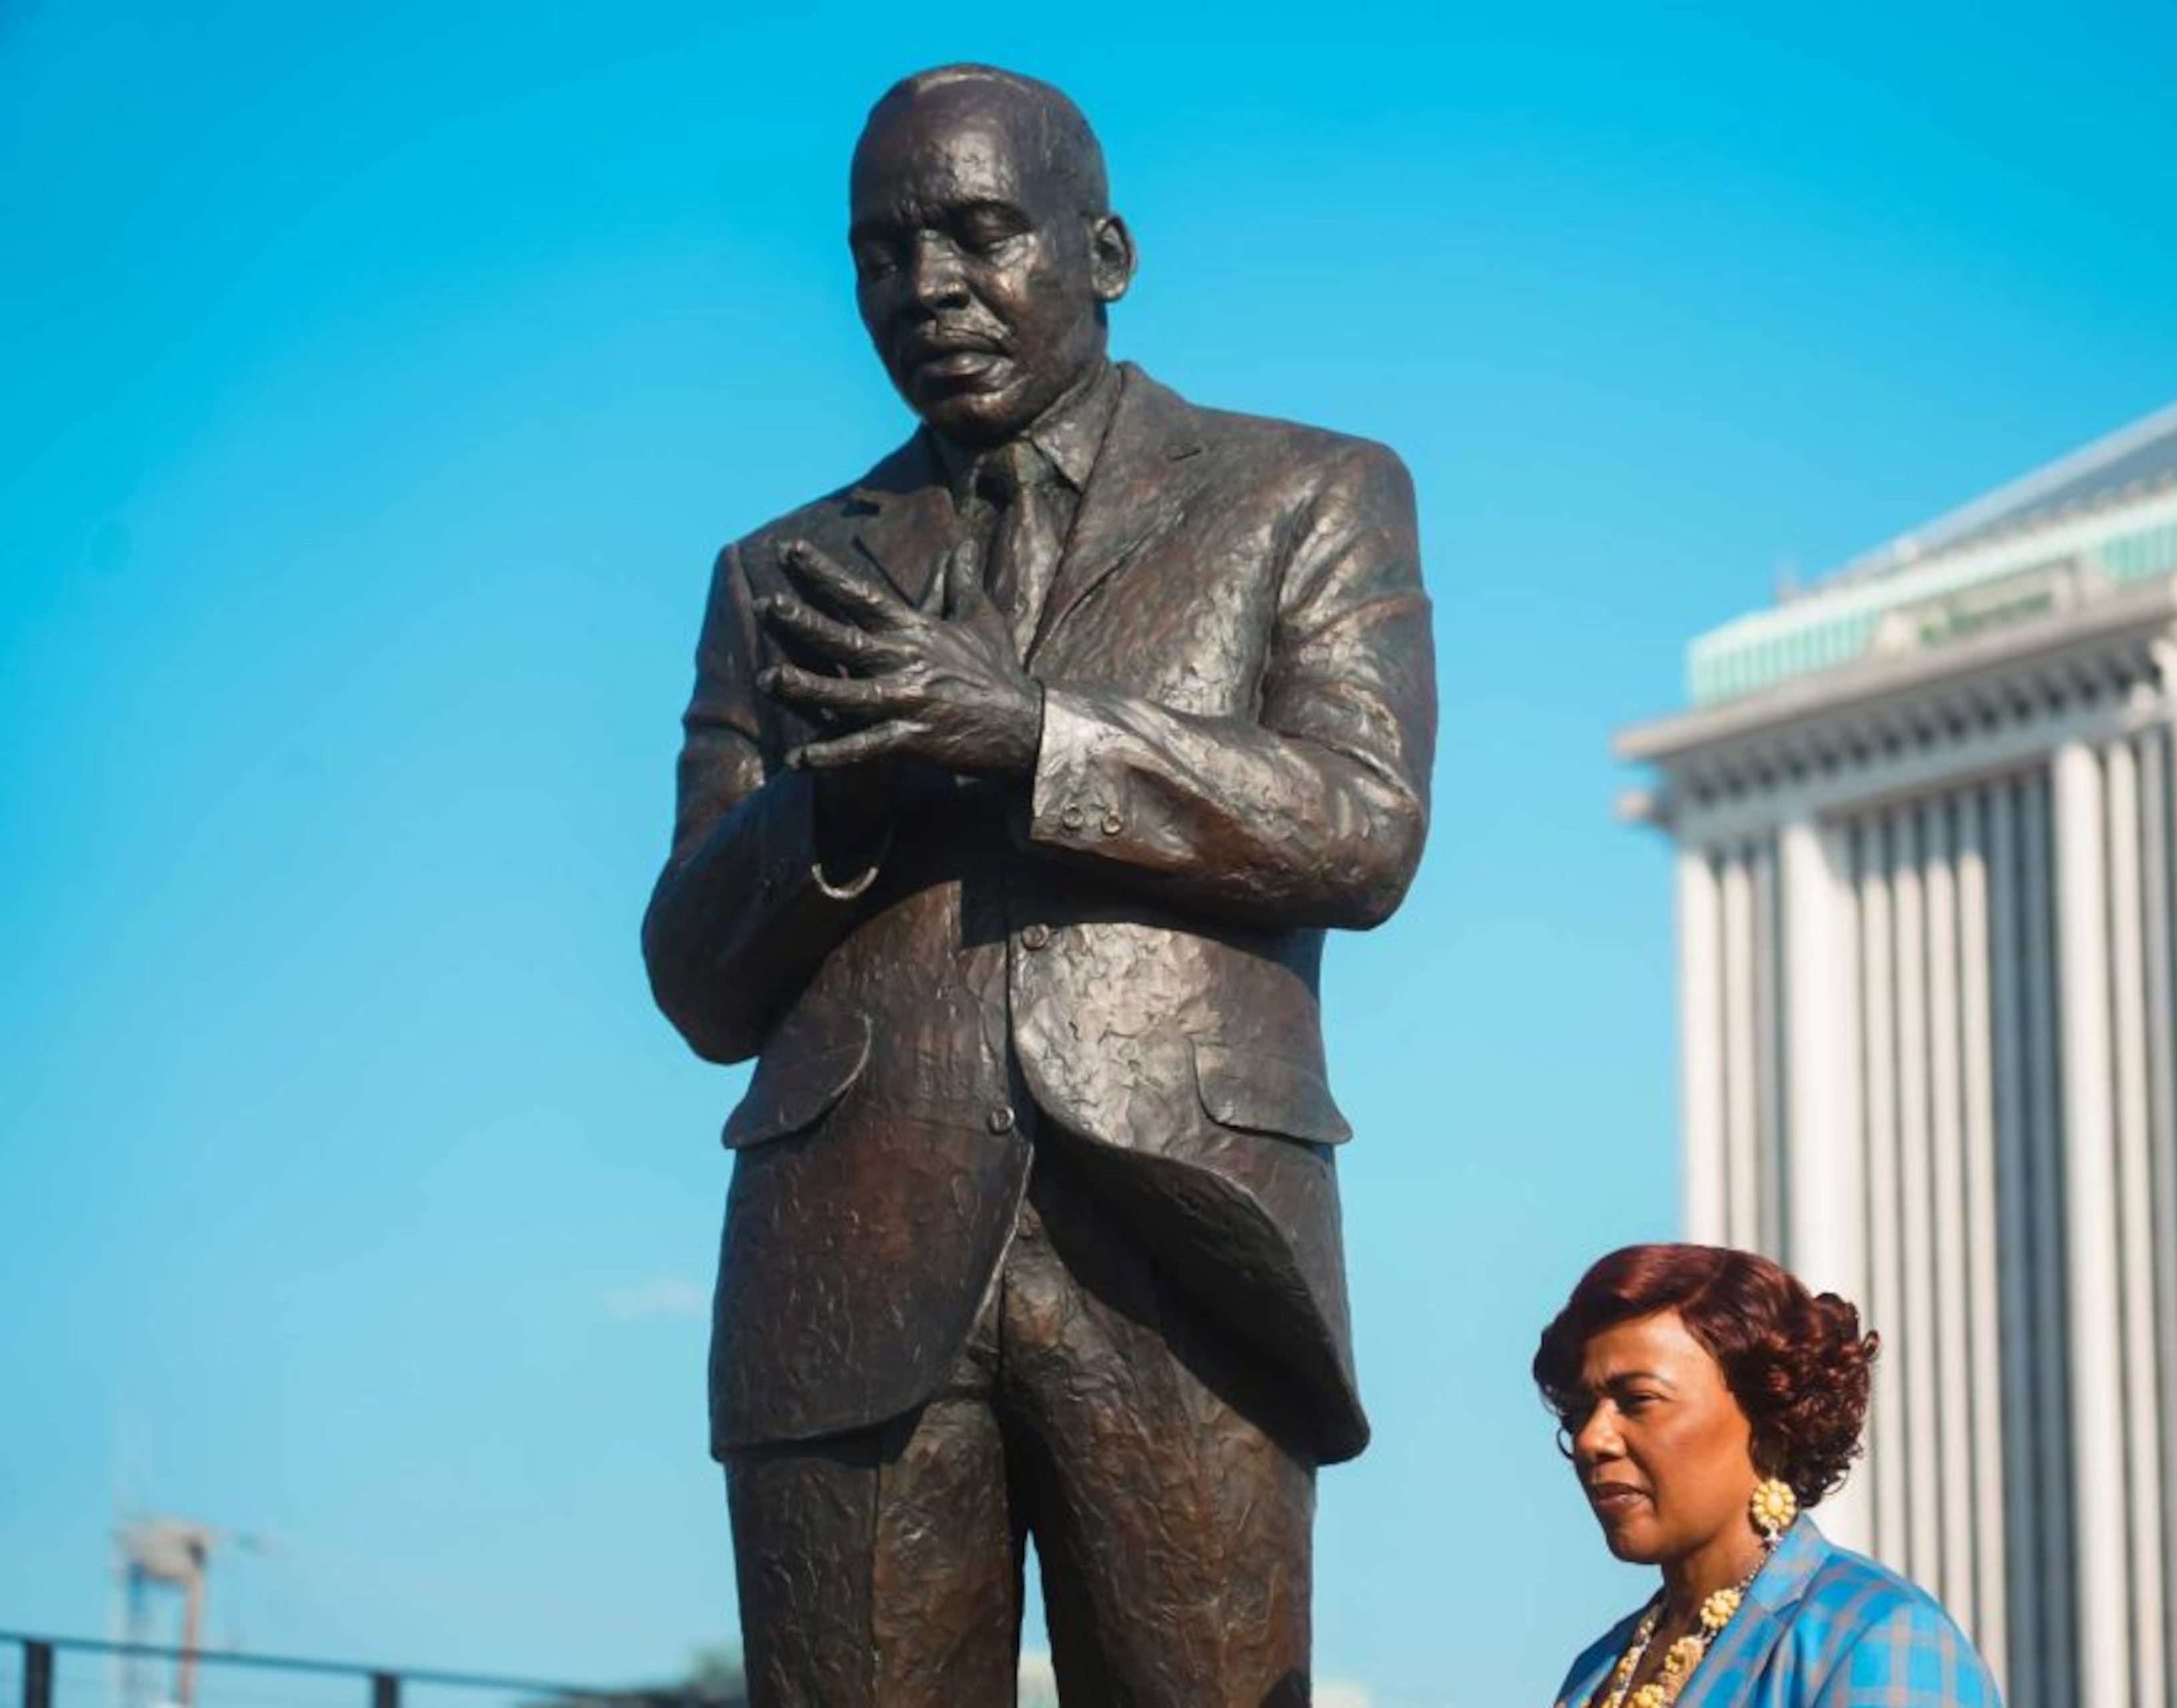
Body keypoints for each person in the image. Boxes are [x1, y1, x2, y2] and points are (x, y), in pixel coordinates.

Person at [639, 63, 1435, 1708]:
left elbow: (1362, 825)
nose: (925, 288)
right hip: (840, 1268)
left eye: (979, 233)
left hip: (1182, 1243)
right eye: (878, 251)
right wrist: (833, 798)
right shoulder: (777, 573)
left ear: (1107, 250)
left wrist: (1032, 736)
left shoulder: (1306, 491)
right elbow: (695, 976)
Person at [1536, 1246, 2001, 1707]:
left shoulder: (1875, 1636)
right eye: (1579, 1411)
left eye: (1638, 1399)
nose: (1592, 1439)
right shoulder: (1596, 1671)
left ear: (1770, 1419)